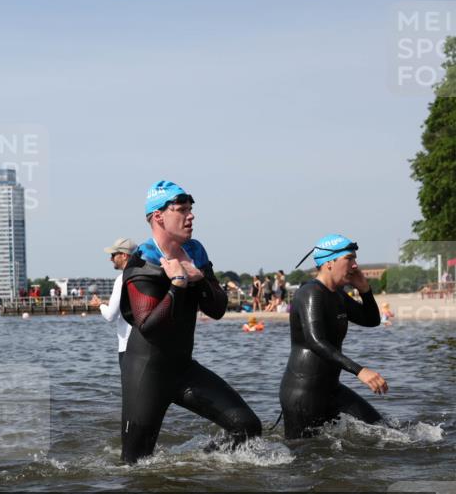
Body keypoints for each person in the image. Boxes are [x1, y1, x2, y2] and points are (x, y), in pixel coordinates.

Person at [118, 181, 261, 463]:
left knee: (247, 427)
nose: (191, 215)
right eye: (182, 210)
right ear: (159, 216)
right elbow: (148, 325)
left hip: (183, 368)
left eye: (190, 209)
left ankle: (198, 463)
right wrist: (178, 284)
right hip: (146, 373)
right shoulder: (142, 262)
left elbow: (218, 309)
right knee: (135, 464)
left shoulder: (195, 252)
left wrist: (199, 278)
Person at [279, 234, 386, 439]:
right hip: (303, 394)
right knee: (302, 458)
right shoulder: (310, 292)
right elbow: (316, 341)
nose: (355, 265)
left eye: (355, 259)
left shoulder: (337, 295)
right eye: (349, 258)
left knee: (384, 432)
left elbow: (372, 320)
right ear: (329, 262)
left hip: (331, 390)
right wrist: (360, 371)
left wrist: (364, 290)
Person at [89, 237, 137, 406]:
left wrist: (100, 305)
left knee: (131, 397)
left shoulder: (122, 278)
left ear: (124, 256)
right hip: (145, 344)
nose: (110, 258)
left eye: (113, 255)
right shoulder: (142, 274)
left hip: (127, 346)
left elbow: (110, 316)